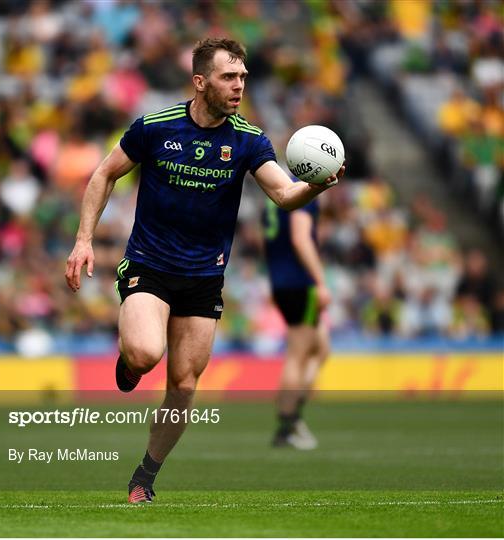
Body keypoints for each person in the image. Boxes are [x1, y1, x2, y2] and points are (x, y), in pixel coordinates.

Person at [65, 38, 344, 504]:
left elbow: (284, 195)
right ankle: (130, 365)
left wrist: (317, 185)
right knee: (146, 353)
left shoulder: (250, 140)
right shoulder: (155, 127)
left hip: (204, 277)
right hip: (150, 265)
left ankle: (145, 477)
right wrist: (83, 240)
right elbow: (104, 174)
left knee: (185, 385)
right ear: (200, 81)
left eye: (243, 78)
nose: (239, 86)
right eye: (228, 77)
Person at [262, 192, 331, 450]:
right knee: (299, 353)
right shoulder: (305, 192)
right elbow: (300, 238)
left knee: (320, 348)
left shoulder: (277, 192)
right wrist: (321, 281)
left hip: (282, 280)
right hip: (299, 282)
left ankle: (289, 405)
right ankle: (288, 422)